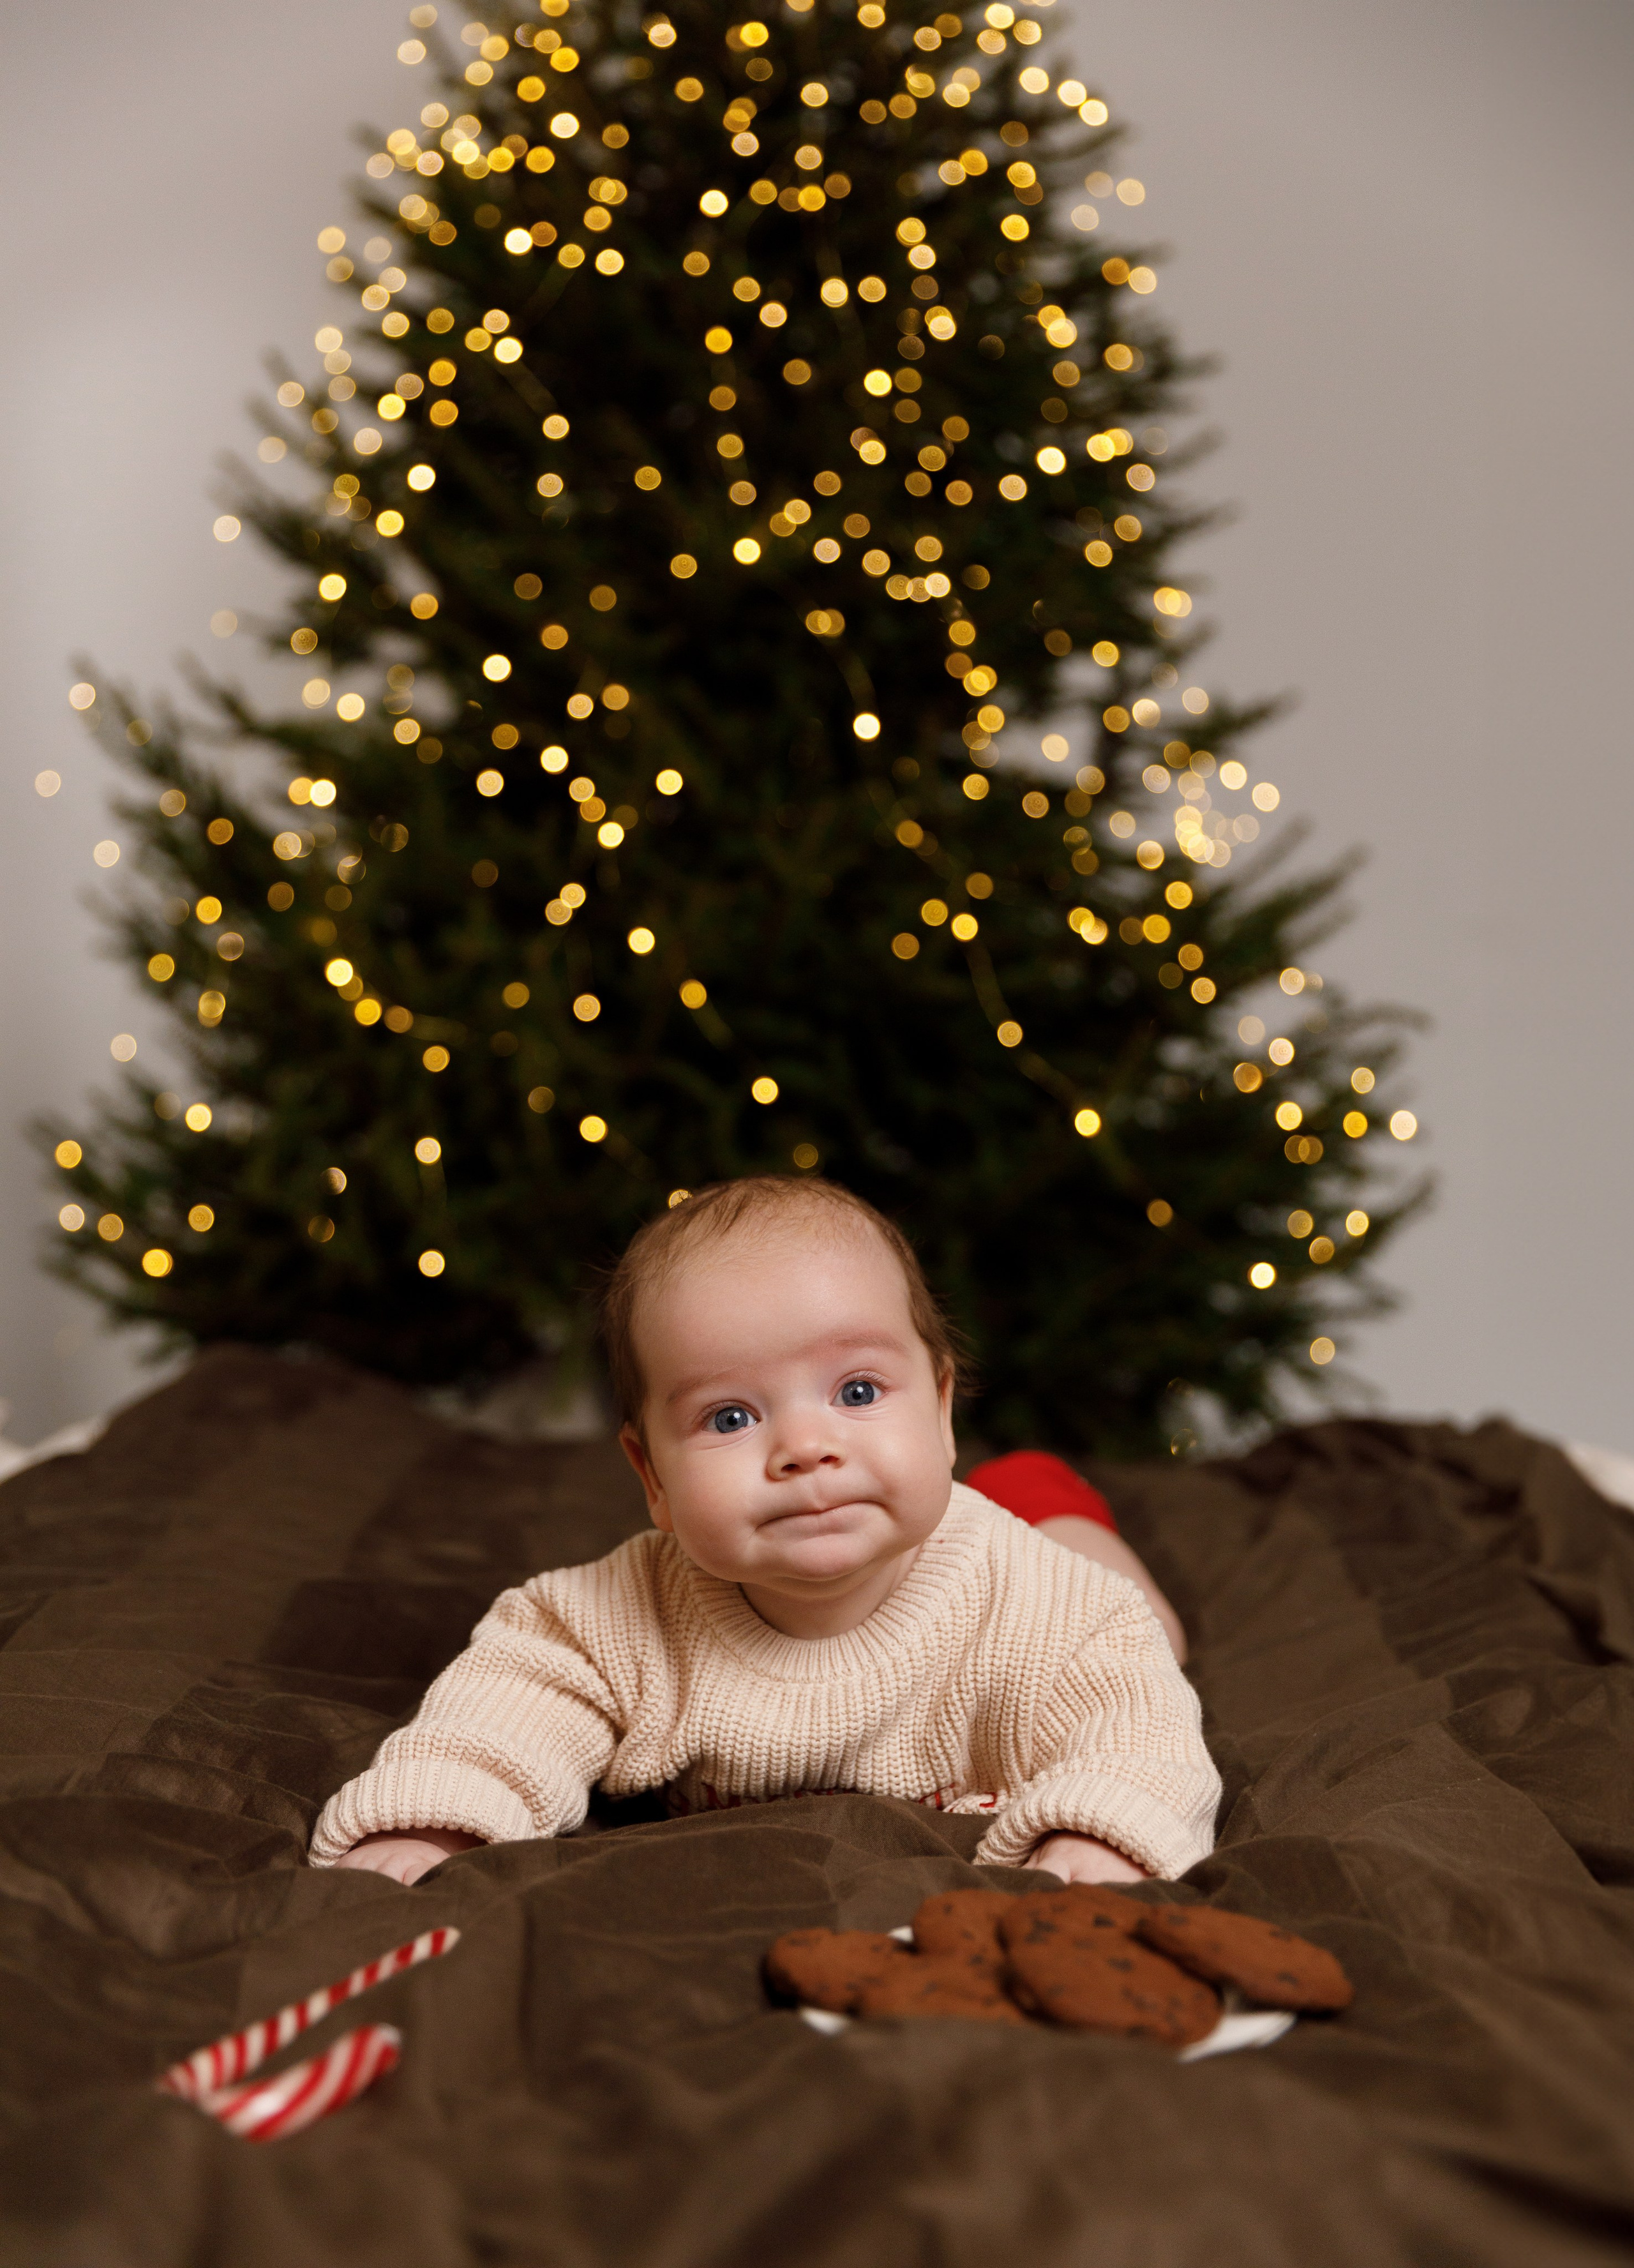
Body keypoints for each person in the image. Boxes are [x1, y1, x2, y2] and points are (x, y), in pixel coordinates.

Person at [311, 1177, 1220, 1889]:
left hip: (1022, 1549)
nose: (805, 1447)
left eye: (857, 1392)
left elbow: (1134, 1725)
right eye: (731, 1416)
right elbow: (507, 1707)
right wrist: (440, 1812)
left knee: (1154, 1633)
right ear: (651, 1477)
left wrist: (1094, 1832)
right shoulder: (619, 1619)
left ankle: (1034, 1486)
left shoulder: (1050, 1609)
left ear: (943, 1408)